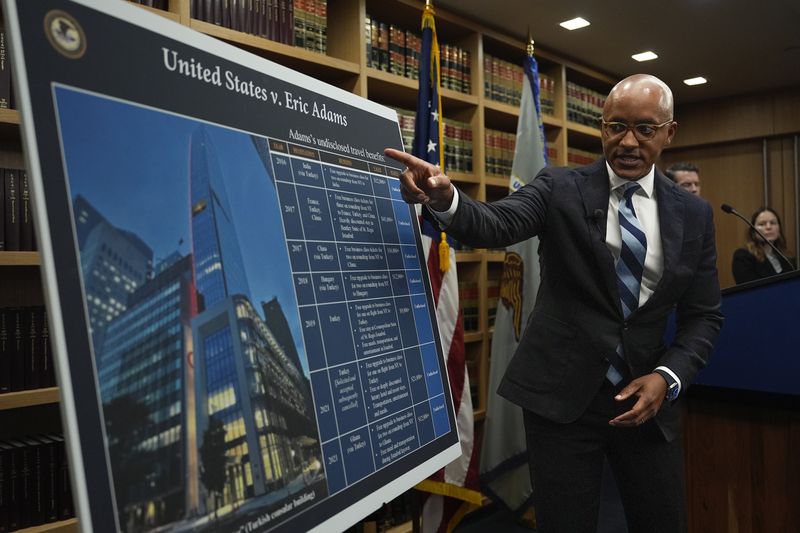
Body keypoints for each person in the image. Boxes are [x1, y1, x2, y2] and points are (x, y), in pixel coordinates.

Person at [385, 74, 723, 533]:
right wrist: (447, 200)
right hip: (561, 400)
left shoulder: (695, 214)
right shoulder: (560, 187)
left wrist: (668, 378)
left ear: (669, 132)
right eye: (615, 127)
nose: (627, 141)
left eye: (644, 129)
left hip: (648, 401)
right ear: (602, 127)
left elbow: (703, 317)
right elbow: (494, 224)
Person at [732, 207, 795, 284]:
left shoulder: (787, 258)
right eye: (762, 224)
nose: (769, 227)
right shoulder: (743, 257)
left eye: (773, 223)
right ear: (752, 231)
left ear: (779, 229)